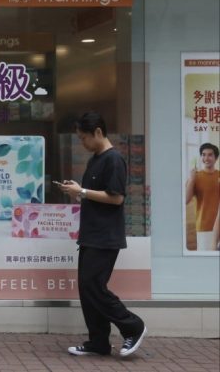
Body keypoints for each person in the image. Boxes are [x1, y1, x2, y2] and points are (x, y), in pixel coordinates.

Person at [57, 112, 147, 358]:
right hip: (90, 234)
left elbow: (116, 198)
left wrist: (82, 192)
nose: (82, 142)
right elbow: (94, 195)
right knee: (87, 289)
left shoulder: (114, 159)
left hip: (105, 237)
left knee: (93, 286)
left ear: (98, 132)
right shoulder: (94, 160)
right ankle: (98, 342)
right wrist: (77, 192)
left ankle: (133, 326)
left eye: (84, 137)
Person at [185, 143, 219, 251]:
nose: (206, 158)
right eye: (203, 155)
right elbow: (186, 200)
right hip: (204, 227)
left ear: (216, 158)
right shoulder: (196, 177)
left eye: (210, 155)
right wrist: (192, 179)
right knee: (206, 258)